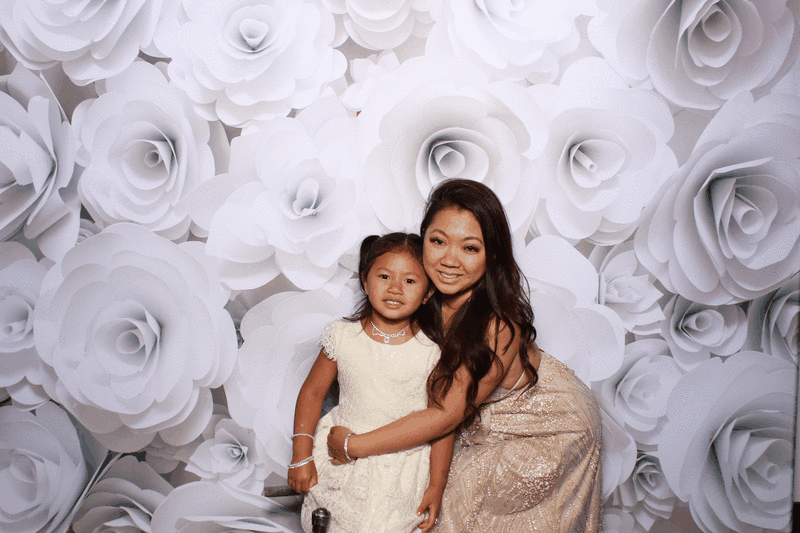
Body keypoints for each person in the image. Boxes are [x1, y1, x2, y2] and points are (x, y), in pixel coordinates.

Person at [328, 179, 602, 532]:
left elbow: (445, 415)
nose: (449, 260)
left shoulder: (499, 325)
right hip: (471, 416)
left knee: (448, 504)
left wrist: (355, 445)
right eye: (438, 241)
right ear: (422, 240)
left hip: (549, 427)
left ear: (492, 256)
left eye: (470, 248)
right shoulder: (416, 292)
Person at [288, 232, 452, 532]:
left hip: (403, 472)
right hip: (340, 460)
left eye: (410, 281)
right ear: (365, 281)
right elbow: (312, 392)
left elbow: (441, 423)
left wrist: (437, 485)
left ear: (428, 293)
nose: (395, 288)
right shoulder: (342, 335)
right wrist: (300, 455)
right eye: (384, 276)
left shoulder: (432, 350)